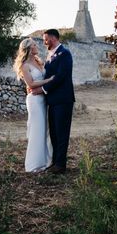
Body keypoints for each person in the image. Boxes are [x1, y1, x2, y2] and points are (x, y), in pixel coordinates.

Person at [29, 29, 75, 174]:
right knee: (54, 133)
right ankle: (55, 162)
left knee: (62, 133)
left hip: (63, 100)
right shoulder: (50, 56)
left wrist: (42, 90)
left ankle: (61, 164)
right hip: (52, 101)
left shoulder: (64, 54)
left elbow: (61, 76)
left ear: (54, 38)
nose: (44, 42)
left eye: (46, 39)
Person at [13, 38, 54, 173]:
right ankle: (34, 164)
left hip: (43, 98)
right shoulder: (25, 65)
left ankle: (47, 161)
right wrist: (48, 80)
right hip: (35, 100)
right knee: (37, 129)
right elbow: (30, 84)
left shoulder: (38, 61)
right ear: (29, 49)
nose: (37, 46)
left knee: (45, 129)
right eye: (34, 45)